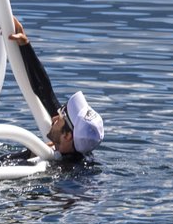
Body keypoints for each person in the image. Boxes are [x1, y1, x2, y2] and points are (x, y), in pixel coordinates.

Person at [8, 17, 105, 157]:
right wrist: (25, 44)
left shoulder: (54, 169)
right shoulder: (73, 146)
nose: (54, 118)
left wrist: (30, 155)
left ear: (67, 136)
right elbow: (45, 92)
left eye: (61, 116)